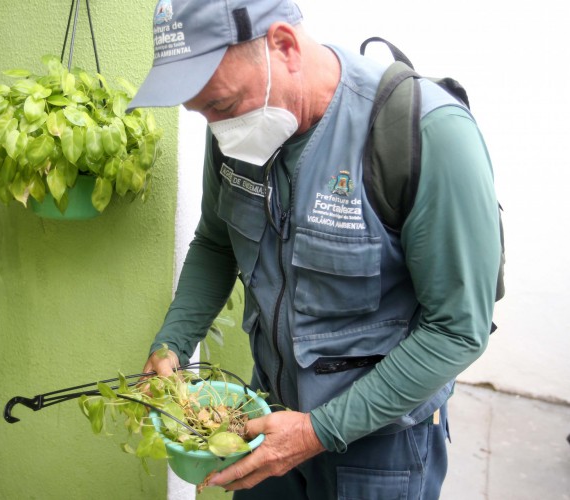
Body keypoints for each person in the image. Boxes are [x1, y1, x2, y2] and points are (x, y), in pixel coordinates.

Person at [128, 0, 502, 498]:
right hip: (267, 421)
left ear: (283, 47)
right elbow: (217, 244)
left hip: (379, 449)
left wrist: (314, 433)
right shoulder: (236, 130)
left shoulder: (426, 133)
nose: (216, 127)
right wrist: (173, 341)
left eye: (221, 105)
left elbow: (456, 331)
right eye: (201, 112)